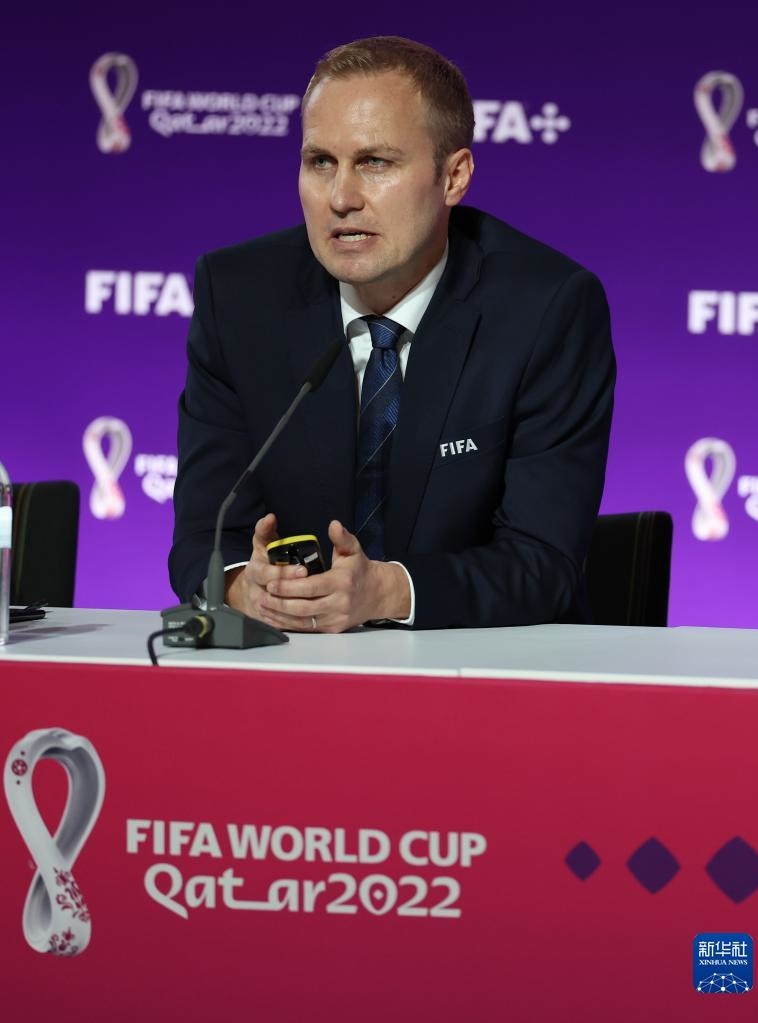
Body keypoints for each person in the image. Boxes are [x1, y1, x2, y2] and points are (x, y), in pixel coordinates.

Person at [169, 35, 615, 632]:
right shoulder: (240, 298)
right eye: (320, 162)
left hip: (481, 660)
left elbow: (543, 561)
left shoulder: (545, 309)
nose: (341, 198)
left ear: (454, 177)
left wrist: (388, 592)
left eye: (375, 163)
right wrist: (240, 587)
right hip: (298, 661)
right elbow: (205, 531)